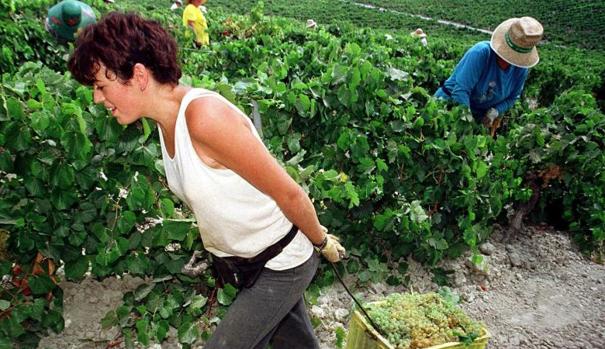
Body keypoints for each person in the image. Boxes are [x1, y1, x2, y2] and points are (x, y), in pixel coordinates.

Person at [67, 12, 345, 349]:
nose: (97, 98)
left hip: (281, 263)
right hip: (246, 263)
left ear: (138, 75)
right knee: (295, 342)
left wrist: (321, 241)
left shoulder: (204, 118)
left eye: (100, 85)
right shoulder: (165, 122)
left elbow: (289, 193)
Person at [435, 17, 543, 129]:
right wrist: (469, 126)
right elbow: (461, 91)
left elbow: (513, 97)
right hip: (448, 107)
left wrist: (495, 111)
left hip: (477, 118)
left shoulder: (521, 69)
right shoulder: (481, 53)